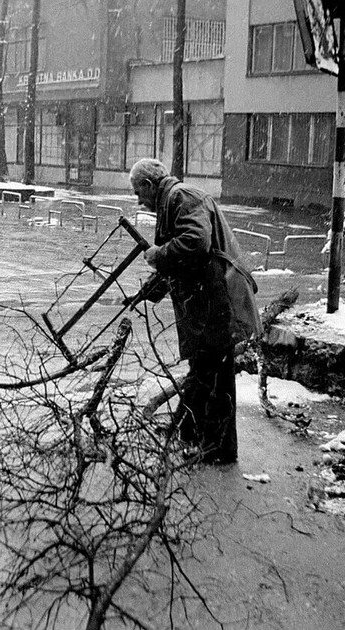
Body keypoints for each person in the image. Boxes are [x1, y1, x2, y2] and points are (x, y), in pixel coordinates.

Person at [126, 158, 250, 464]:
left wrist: (159, 254)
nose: (138, 200)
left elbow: (195, 243)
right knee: (213, 372)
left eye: (138, 191)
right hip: (208, 299)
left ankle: (193, 439)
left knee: (207, 371)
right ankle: (210, 444)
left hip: (215, 298)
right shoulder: (172, 200)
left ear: (149, 185)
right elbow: (184, 258)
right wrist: (149, 291)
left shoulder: (182, 197)